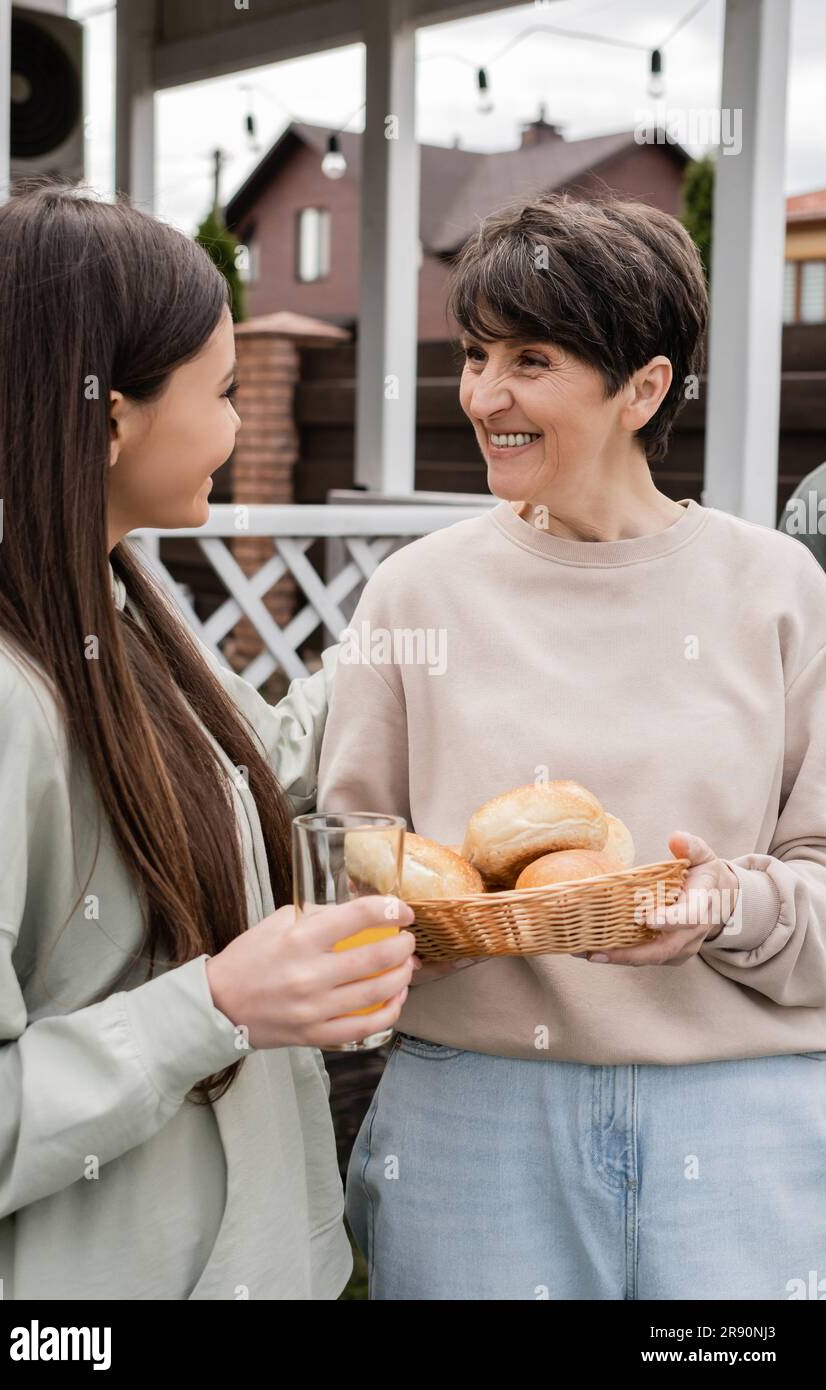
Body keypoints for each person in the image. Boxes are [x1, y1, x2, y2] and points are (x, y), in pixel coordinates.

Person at [318, 193, 826, 1300]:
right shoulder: (416, 590)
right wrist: (414, 937)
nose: (484, 395)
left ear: (644, 388)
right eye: (472, 355)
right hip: (473, 1118)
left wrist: (725, 906)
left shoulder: (777, 589)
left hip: (740, 1121)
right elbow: (341, 849)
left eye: (531, 359)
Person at [0, 183, 433, 1301]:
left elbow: (268, 752)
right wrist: (213, 1005)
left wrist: (432, 607)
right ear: (111, 416)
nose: (235, 425)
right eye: (221, 392)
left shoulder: (111, 609)